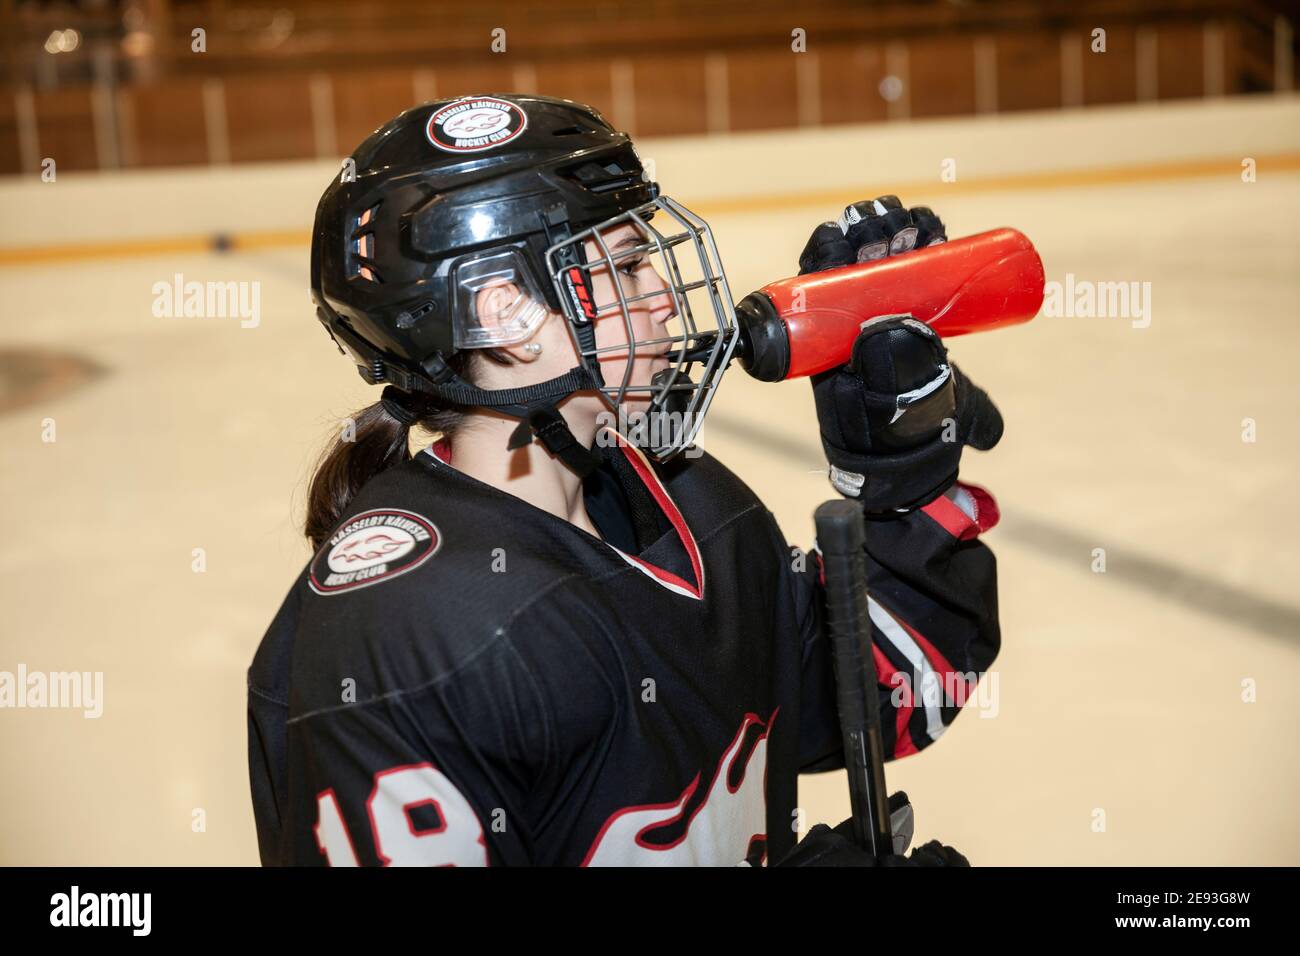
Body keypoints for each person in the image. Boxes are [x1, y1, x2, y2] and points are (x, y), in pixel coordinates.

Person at [247, 94, 1003, 866]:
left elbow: (891, 694)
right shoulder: (409, 635)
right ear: (506, 313)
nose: (664, 300)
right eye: (629, 263)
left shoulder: (693, 504)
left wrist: (898, 480)